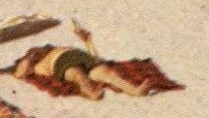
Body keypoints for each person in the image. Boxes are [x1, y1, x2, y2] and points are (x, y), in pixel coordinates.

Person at [13, 22, 165, 100]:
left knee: (108, 74)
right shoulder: (34, 62)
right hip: (60, 63)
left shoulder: (52, 49)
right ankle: (89, 92)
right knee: (78, 75)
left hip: (82, 56)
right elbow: (20, 73)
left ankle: (135, 90)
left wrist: (88, 42)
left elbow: (97, 59)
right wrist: (30, 58)